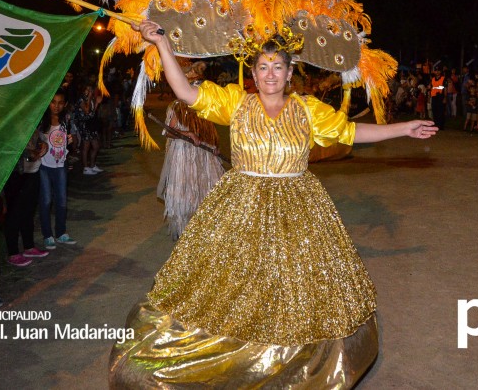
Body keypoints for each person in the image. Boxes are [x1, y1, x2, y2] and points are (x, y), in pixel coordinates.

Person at [109, 20, 438, 387]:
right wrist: (161, 43)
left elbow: (350, 131)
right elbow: (186, 91)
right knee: (231, 286)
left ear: (289, 72)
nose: (270, 74)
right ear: (253, 73)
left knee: (296, 289)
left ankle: (289, 358)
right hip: (240, 207)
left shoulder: (308, 109)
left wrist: (403, 128)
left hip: (298, 209)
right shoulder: (235, 103)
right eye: (263, 67)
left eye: (278, 67)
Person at [156, 61, 225, 239]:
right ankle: (183, 230)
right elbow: (168, 131)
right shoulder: (178, 106)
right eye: (194, 84)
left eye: (199, 84)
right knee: (185, 192)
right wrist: (187, 133)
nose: (198, 88)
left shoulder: (205, 105)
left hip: (204, 154)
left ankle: (203, 229)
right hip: (184, 154)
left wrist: (215, 146)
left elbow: (210, 129)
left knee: (205, 189)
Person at [38, 90, 78, 250]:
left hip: (60, 165)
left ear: (65, 104)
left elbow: (73, 140)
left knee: (61, 200)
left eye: (60, 103)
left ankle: (61, 233)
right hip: (43, 166)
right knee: (46, 200)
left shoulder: (66, 120)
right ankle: (47, 235)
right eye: (53, 102)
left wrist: (72, 140)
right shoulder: (41, 120)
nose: (56, 106)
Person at [4, 130, 50, 266]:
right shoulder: (12, 124)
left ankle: (29, 247)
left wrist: (44, 145)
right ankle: (13, 253)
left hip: (32, 171)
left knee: (29, 210)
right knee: (14, 213)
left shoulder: (34, 123)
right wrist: (28, 152)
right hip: (16, 173)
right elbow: (8, 147)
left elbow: (41, 139)